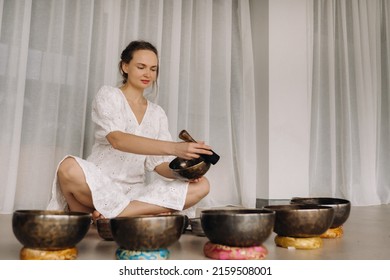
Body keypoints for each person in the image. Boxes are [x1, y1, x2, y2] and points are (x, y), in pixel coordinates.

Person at [47, 40, 212, 221]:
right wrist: (175, 148)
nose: (148, 74)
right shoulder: (109, 95)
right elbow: (118, 140)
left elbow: (158, 165)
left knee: (202, 186)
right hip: (98, 185)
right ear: (125, 66)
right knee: (68, 167)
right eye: (141, 67)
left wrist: (186, 173)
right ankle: (139, 212)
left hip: (135, 194)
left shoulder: (157, 113)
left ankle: (117, 213)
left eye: (153, 69)